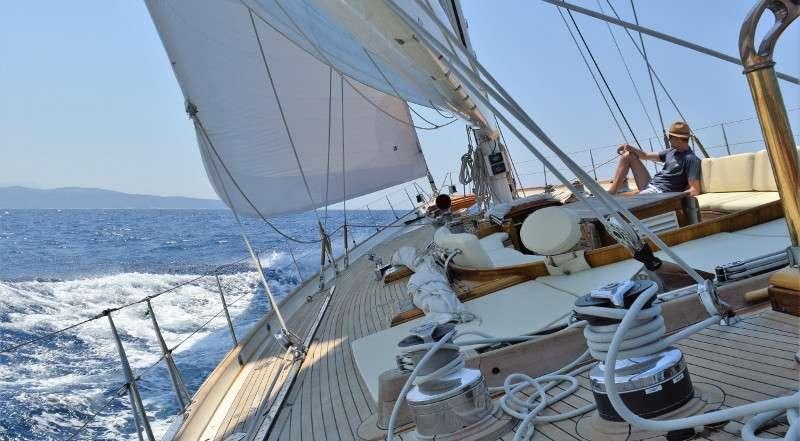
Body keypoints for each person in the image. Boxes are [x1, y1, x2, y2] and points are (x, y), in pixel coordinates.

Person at [607, 121, 702, 196]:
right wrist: (630, 148)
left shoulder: (691, 160)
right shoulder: (671, 151)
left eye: (670, 137)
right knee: (628, 155)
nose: (668, 139)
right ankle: (611, 193)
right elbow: (645, 155)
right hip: (651, 184)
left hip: (661, 192)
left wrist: (672, 198)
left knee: (628, 201)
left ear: (678, 139)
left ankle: (613, 199)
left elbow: (694, 190)